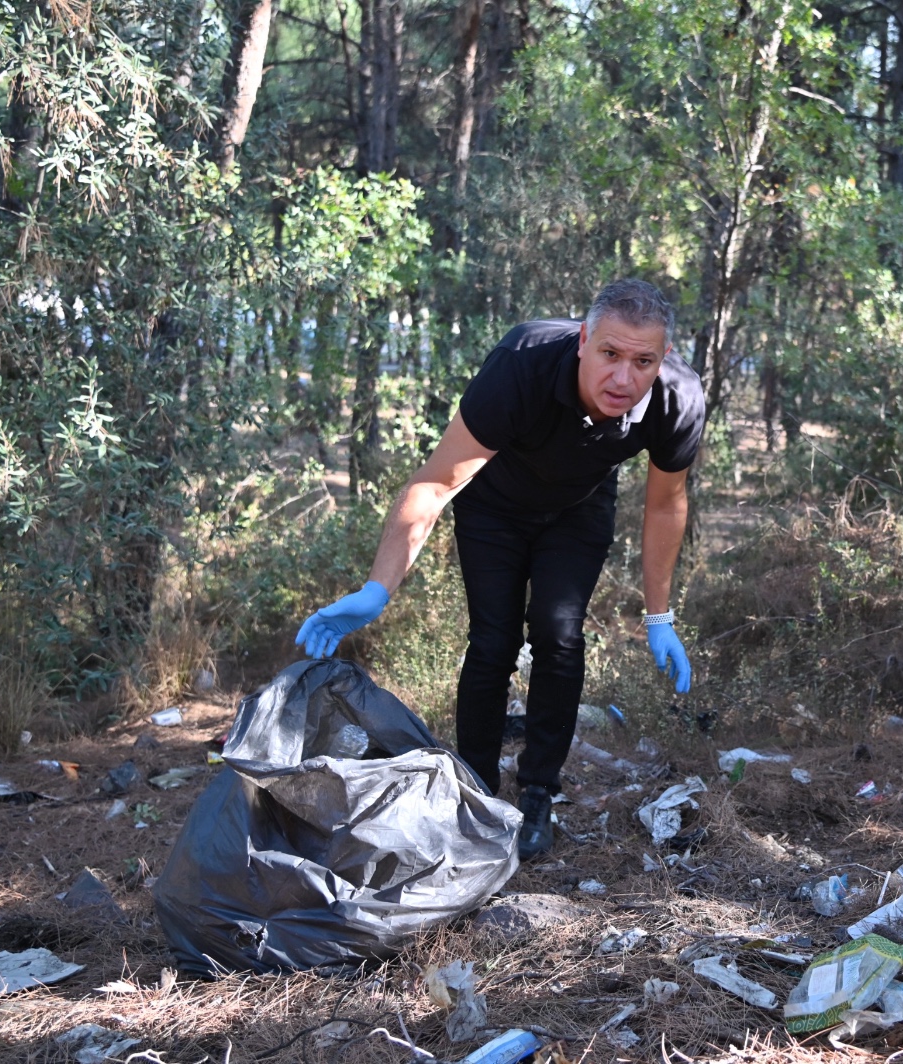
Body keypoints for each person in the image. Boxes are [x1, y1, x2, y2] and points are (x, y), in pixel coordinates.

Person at [295, 279, 706, 859]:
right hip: (495, 504)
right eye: (610, 354)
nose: (622, 378)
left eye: (642, 361)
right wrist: (377, 587)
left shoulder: (677, 398)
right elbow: (436, 482)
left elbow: (666, 503)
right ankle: (476, 789)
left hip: (579, 508)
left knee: (560, 637)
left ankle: (538, 792)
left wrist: (659, 614)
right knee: (493, 642)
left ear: (662, 359)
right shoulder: (522, 363)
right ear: (584, 340)